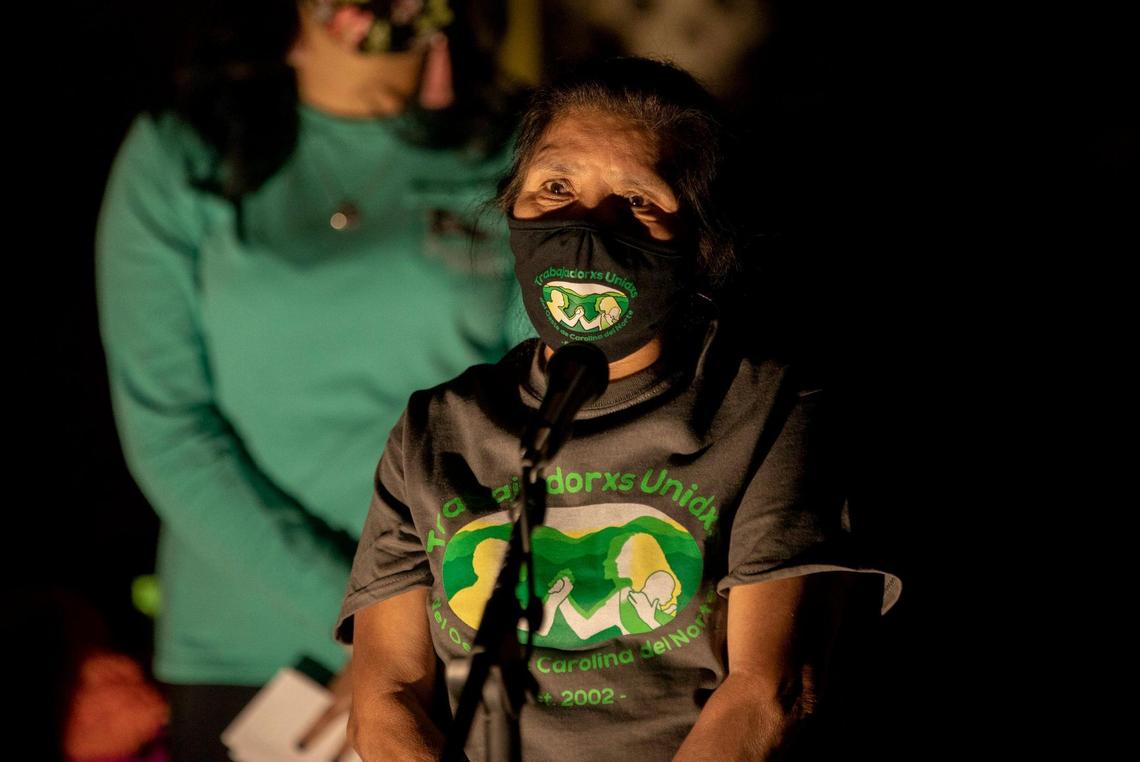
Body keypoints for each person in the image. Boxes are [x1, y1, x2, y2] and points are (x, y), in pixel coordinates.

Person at [332, 56, 903, 761]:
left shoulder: (767, 412)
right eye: (556, 185)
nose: (584, 226)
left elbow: (769, 692)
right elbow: (384, 695)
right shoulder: (437, 429)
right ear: (510, 203)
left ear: (700, 241)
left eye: (635, 200)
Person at [95, 1, 527, 759]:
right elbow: (167, 428)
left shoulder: (519, 154)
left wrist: (422, 626)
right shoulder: (180, 154)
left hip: (463, 630)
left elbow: (546, 409)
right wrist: (365, 621)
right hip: (252, 649)